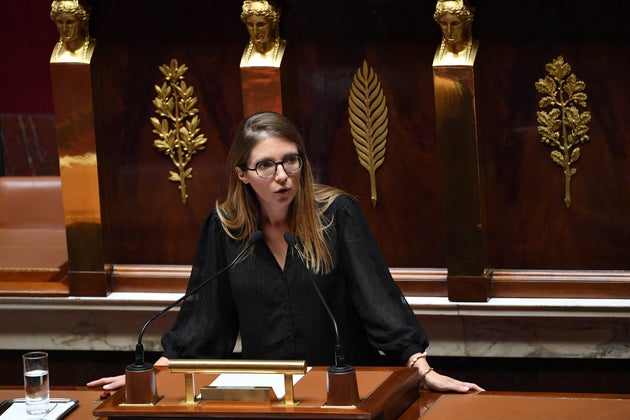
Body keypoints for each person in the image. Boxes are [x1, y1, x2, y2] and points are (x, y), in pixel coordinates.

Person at [88, 111, 484, 394]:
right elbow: (206, 319)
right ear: (242, 174)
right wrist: (150, 373)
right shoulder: (225, 229)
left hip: (345, 387)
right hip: (269, 393)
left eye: (290, 160)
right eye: (265, 165)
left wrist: (421, 368)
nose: (281, 175)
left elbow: (379, 302)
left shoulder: (338, 215)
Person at [240, 0, 287, 67]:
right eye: (250, 25)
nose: (255, 32)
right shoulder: (246, 53)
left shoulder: (283, 48)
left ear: (273, 23)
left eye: (261, 25)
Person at [433, 0, 478, 65]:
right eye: (444, 24)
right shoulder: (437, 53)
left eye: (455, 24)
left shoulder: (477, 50)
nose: (449, 30)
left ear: (466, 24)